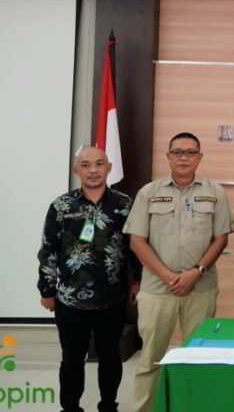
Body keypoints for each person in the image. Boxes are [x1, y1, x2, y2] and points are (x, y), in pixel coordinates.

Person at [124, 132, 234, 412]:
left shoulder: (215, 192)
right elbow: (137, 241)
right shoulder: (148, 192)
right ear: (168, 157)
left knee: (199, 357)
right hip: (157, 290)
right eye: (177, 152)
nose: (183, 157)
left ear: (200, 157)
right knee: (150, 359)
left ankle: (194, 407)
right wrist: (168, 276)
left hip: (201, 287)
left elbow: (221, 238)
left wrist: (196, 272)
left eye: (190, 152)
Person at [37, 147, 139, 412]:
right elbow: (48, 250)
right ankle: (70, 407)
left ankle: (108, 405)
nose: (93, 170)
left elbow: (135, 247)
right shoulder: (61, 206)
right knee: (72, 359)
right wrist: (47, 290)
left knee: (110, 357)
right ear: (76, 171)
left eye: (99, 164)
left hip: (112, 296)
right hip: (70, 299)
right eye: (85, 165)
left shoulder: (125, 205)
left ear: (109, 167)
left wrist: (137, 281)